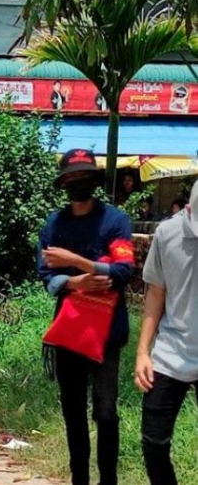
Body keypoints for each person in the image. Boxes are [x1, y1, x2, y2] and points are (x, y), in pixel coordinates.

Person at [37, 148, 133, 485]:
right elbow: (46, 276)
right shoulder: (55, 223)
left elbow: (122, 271)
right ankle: (79, 478)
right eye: (71, 177)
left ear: (94, 179)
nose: (77, 182)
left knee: (106, 411)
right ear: (63, 183)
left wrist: (73, 262)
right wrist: (81, 281)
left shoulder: (115, 221)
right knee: (73, 411)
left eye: (83, 176)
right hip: (70, 331)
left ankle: (108, 480)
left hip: (108, 332)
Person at [136, 182, 198, 485]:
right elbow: (156, 293)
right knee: (153, 442)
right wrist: (143, 351)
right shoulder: (167, 234)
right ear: (188, 210)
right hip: (171, 352)